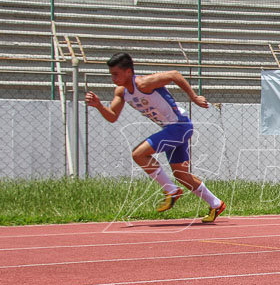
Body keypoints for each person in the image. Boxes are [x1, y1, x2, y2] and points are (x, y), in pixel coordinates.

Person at [86, 52, 226, 223]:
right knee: (182, 175)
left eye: (116, 74)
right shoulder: (121, 92)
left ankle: (171, 190)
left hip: (179, 126)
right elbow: (112, 116)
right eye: (111, 75)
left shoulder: (144, 84)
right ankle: (216, 203)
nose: (113, 78)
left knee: (139, 154)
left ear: (128, 71)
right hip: (171, 129)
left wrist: (194, 97)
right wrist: (99, 105)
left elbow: (174, 75)